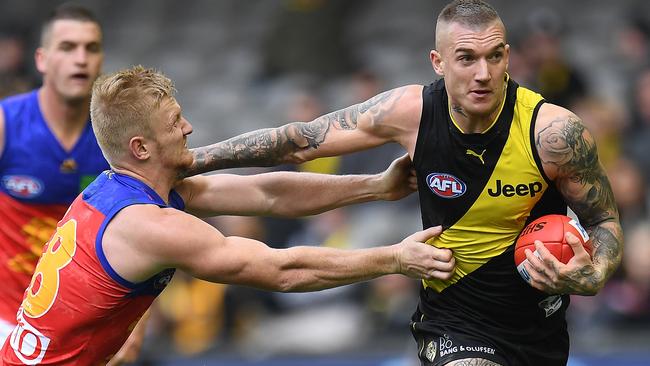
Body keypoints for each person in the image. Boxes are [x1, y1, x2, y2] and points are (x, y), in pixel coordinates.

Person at [183, 1, 623, 365]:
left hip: (539, 327)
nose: (483, 74)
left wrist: (596, 271)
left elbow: (603, 219)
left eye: (494, 56)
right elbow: (300, 141)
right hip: (454, 322)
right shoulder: (411, 112)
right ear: (438, 62)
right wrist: (192, 160)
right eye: (466, 58)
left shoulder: (554, 134)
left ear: (508, 56)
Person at [0, 65, 455, 365]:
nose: (189, 128)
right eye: (175, 122)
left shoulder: (123, 190)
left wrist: (375, 186)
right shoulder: (147, 225)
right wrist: (396, 258)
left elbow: (266, 193)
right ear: (141, 148)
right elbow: (282, 270)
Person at [0, 3, 107, 342]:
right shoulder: (6, 125)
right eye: (67, 47)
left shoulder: (117, 140)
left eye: (91, 48)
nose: (81, 58)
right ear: (41, 60)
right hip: (6, 323)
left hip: (83, 329)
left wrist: (139, 322)